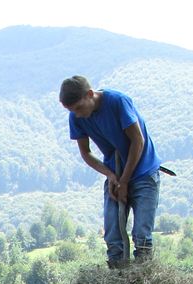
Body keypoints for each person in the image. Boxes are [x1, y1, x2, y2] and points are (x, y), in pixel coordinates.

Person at [59, 75, 161, 267]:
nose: (77, 115)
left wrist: (125, 180)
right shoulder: (76, 117)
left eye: (79, 108)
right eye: (72, 111)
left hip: (143, 173)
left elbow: (138, 141)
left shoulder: (117, 102)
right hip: (115, 175)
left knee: (142, 237)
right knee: (114, 237)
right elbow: (86, 153)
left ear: (90, 94)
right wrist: (111, 176)